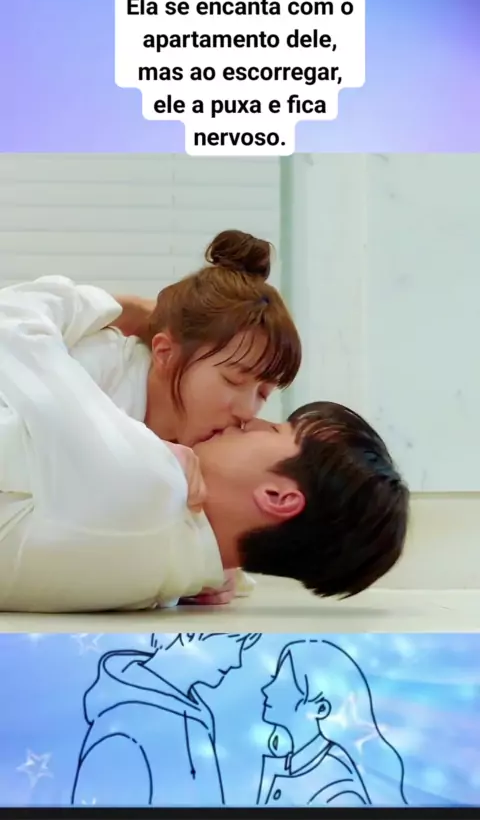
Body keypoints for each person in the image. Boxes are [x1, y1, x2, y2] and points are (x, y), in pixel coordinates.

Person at [0, 268, 409, 612]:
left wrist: (124, 308)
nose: (250, 417)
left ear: (278, 497)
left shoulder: (154, 491)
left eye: (273, 423)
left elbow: (14, 324)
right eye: (233, 380)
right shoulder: (172, 572)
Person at [71, 632, 261, 807]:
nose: (237, 661)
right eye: (233, 641)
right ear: (189, 634)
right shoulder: (124, 729)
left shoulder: (196, 720)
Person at [257, 638, 407, 807]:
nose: (266, 689)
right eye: (274, 679)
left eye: (285, 684)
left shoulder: (338, 788)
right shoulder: (287, 765)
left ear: (321, 708)